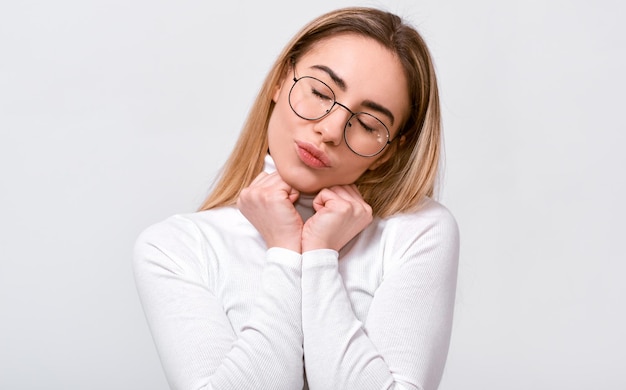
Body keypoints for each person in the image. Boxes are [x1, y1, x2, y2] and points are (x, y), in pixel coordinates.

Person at [133, 6, 459, 390]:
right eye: (320, 92)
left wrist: (320, 256)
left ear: (388, 150)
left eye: (369, 124)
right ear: (280, 81)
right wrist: (286, 251)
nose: (331, 129)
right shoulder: (175, 248)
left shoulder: (418, 231)